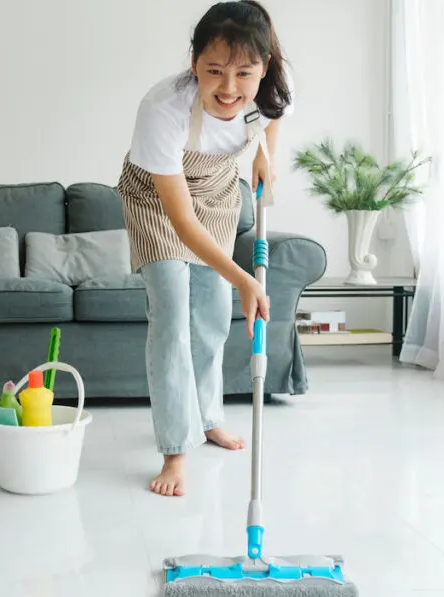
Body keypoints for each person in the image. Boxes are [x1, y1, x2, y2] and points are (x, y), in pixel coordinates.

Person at [116, 0, 294, 497]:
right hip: (158, 200)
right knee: (173, 314)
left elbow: (274, 116)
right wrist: (243, 277)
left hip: (217, 192)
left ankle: (209, 417)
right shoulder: (163, 109)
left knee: (212, 317)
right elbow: (180, 219)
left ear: (264, 67)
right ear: (194, 62)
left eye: (244, 72)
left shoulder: (273, 90)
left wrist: (265, 156)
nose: (229, 87)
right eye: (214, 71)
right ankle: (176, 449)